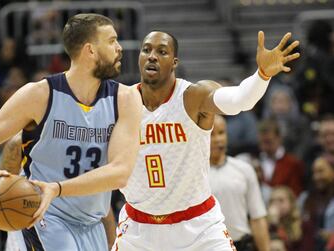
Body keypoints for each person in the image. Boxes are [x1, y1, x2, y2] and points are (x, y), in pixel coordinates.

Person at [0, 13, 142, 251]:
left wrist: (57, 189)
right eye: (111, 41)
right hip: (45, 217)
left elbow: (120, 173)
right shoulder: (40, 95)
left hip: (91, 222)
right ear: (90, 50)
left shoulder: (125, 98)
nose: (119, 48)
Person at [113, 30, 300, 251]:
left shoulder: (194, 96)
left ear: (174, 62)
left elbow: (239, 100)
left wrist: (262, 75)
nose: (152, 56)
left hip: (198, 227)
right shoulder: (120, 102)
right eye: (146, 50)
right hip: (139, 228)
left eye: (161, 51)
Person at [0, 134, 117, 251]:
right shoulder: (20, 143)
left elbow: (98, 199)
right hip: (27, 235)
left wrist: (112, 242)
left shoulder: (87, 143)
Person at [209, 115, 269, 251]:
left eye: (221, 133)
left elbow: (257, 217)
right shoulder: (196, 175)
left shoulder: (244, 169)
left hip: (242, 244)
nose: (218, 139)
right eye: (211, 134)